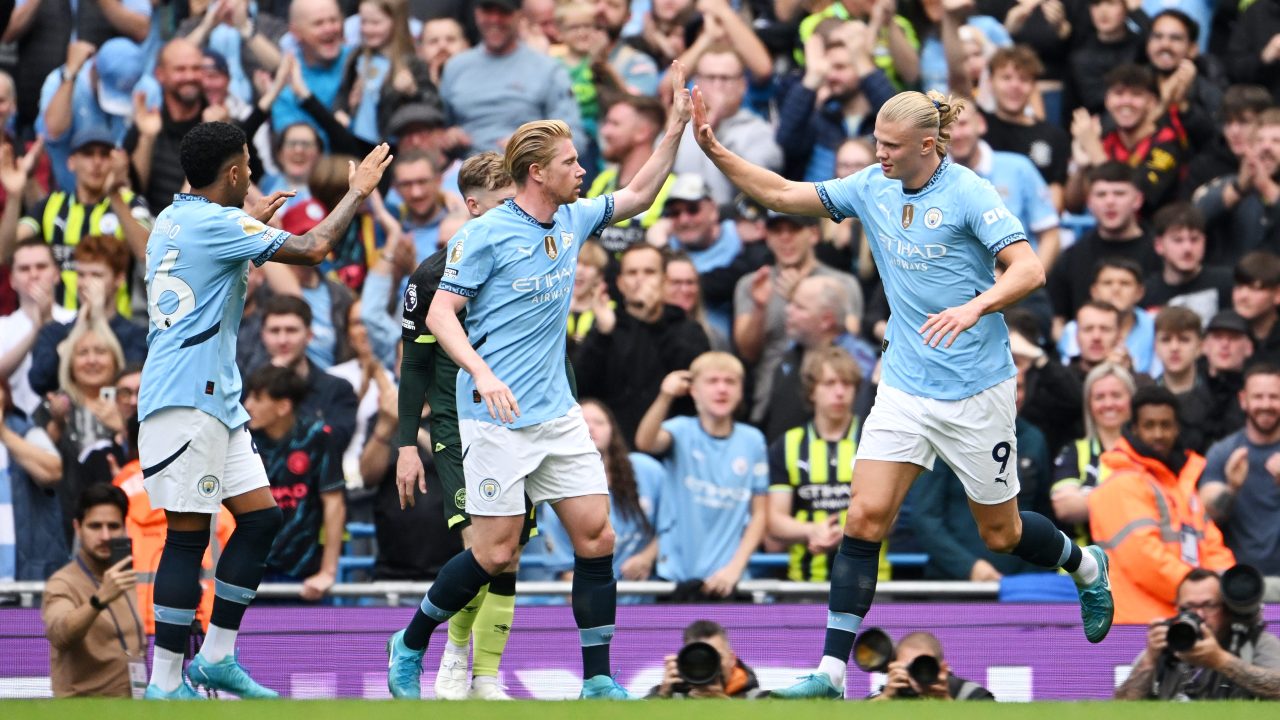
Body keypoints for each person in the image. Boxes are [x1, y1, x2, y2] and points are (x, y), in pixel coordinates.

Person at [688, 87, 1113, 699]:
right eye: (877, 144)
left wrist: (976, 307)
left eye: (889, 146)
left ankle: (1088, 566)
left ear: (927, 145)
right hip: (906, 384)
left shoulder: (968, 191)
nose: (878, 154)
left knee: (1004, 533)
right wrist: (716, 150)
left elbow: (1029, 269)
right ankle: (831, 673)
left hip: (976, 389)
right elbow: (784, 194)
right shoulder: (872, 185)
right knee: (864, 518)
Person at [385, 62, 693, 700]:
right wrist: (483, 373)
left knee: (597, 535)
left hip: (557, 414)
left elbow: (637, 195)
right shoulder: (487, 235)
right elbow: (440, 314)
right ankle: (411, 639)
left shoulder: (573, 221)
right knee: (495, 555)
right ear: (539, 173)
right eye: (573, 163)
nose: (583, 172)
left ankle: (599, 680)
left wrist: (674, 129)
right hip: (493, 417)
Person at [137, 121, 391, 699]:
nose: (252, 173)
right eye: (247, 164)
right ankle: (165, 683)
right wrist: (358, 191)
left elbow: (218, 275)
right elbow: (317, 249)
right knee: (187, 536)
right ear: (232, 173)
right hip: (182, 400)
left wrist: (258, 228)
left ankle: (219, 658)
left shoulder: (172, 219)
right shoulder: (220, 222)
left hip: (216, 402)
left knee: (260, 520)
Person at [393, 151, 527, 700]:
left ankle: (487, 675)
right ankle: (452, 653)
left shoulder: (528, 262)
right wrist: (406, 445)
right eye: (501, 205)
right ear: (473, 207)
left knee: (509, 549)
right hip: (457, 423)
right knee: (480, 543)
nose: (513, 214)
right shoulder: (430, 278)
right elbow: (415, 365)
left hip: (520, 419)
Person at [1088, 386, 1236, 625]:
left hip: (1187, 619)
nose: (1158, 434)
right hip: (1138, 626)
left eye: (1165, 425)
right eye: (1149, 425)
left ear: (1177, 428)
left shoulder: (1181, 485)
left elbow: (1212, 547)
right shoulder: (1121, 483)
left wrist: (1230, 588)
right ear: (1134, 429)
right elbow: (1144, 558)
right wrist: (1205, 595)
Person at [635, 352, 769, 596]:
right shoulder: (680, 430)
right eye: (712, 381)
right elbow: (645, 442)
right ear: (693, 390)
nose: (722, 389)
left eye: (730, 382)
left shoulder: (753, 441)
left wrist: (734, 569)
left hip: (727, 580)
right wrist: (665, 397)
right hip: (676, 577)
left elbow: (759, 514)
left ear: (741, 390)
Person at [243, 366, 345, 594]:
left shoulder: (318, 436)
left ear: (283, 406)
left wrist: (327, 572)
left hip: (302, 573)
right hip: (246, 570)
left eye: (257, 398)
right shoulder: (241, 439)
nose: (247, 405)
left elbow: (334, 503)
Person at [766, 346, 860, 582]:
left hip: (869, 583)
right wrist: (812, 531)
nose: (839, 392)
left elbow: (890, 516)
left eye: (847, 384)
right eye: (829, 383)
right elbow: (775, 521)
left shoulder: (873, 439)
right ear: (811, 391)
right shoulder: (787, 444)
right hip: (804, 583)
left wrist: (845, 532)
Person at [1115, 567, 1280, 700]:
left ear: (1227, 610)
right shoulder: (1166, 645)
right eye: (1188, 608)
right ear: (1177, 609)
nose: (1199, 615)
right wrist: (1149, 661)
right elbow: (1121, 708)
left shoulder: (1254, 642)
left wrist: (1221, 661)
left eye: (1209, 605)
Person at [41, 484, 143, 698]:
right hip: (82, 707)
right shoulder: (62, 582)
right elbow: (60, 634)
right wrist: (99, 600)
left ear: (124, 528)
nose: (105, 535)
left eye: (113, 526)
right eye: (95, 526)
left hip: (132, 705)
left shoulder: (126, 577)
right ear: (78, 527)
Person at [1200, 364, 1280, 576]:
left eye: (1273, 397)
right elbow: (1206, 517)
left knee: (1274, 611)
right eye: (1258, 397)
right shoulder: (1223, 452)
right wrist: (1232, 488)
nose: (1266, 404)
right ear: (1243, 400)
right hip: (1240, 584)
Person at [650, 619, 766, 699]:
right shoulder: (671, 698)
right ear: (683, 661)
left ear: (732, 659)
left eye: (717, 657)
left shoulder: (758, 701)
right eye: (697, 659)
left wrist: (726, 709)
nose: (708, 665)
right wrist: (661, 696)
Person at [868, 631, 994, 700]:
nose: (916, 673)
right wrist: (886, 698)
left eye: (925, 665)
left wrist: (946, 703)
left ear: (942, 668)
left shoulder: (968, 693)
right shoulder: (886, 695)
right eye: (908, 667)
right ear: (894, 667)